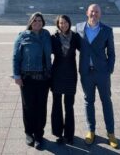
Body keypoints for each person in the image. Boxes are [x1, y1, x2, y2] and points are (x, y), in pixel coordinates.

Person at [76, 4, 118, 149]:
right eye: (92, 11)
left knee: (106, 101)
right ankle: (91, 130)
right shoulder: (79, 28)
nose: (94, 14)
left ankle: (111, 133)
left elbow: (111, 52)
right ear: (87, 12)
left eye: (97, 12)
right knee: (88, 101)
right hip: (86, 72)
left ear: (100, 14)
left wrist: (109, 69)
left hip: (102, 73)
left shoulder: (107, 30)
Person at [12, 12, 51, 150]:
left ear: (43, 22)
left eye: (40, 21)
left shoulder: (47, 35)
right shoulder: (22, 36)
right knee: (28, 107)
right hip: (27, 78)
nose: (37, 23)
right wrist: (16, 75)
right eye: (35, 21)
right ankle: (29, 133)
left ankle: (39, 134)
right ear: (30, 22)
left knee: (41, 107)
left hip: (43, 78)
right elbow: (16, 57)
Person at [51, 15, 80, 145]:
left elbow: (86, 50)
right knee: (56, 104)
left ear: (69, 23)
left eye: (65, 22)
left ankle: (69, 134)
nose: (63, 25)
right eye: (61, 23)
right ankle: (58, 133)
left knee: (69, 106)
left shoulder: (75, 37)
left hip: (70, 75)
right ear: (58, 24)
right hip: (56, 74)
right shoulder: (53, 37)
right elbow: (44, 52)